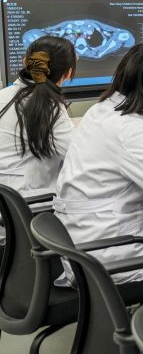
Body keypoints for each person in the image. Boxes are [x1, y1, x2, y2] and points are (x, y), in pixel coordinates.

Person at [54, 43, 143, 283]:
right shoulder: (132, 129)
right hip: (110, 250)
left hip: (83, 241)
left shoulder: (101, 110)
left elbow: (118, 168)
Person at [0, 36, 77, 245]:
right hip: (27, 220)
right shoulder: (49, 108)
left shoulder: (3, 96)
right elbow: (80, 157)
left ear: (26, 61)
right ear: (68, 73)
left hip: (8, 215)